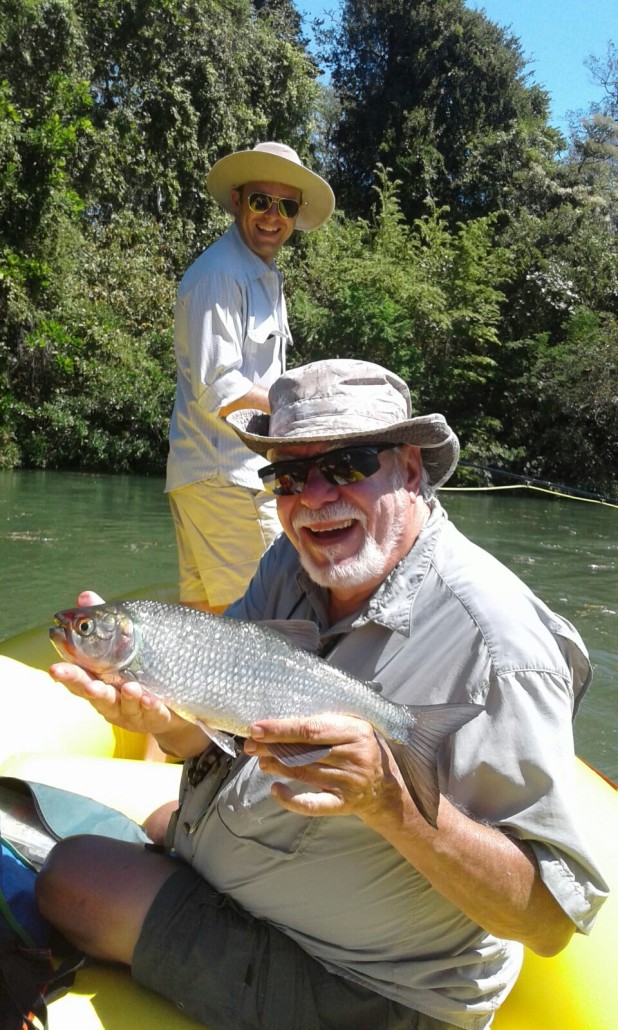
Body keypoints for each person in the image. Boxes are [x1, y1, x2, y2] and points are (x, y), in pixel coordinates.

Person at [38, 359, 608, 1030]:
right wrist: (163, 721)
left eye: (345, 466)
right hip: (269, 860)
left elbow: (545, 924)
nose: (311, 498)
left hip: (373, 988)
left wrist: (388, 804)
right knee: (163, 818)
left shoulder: (502, 651)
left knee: (71, 877)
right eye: (286, 476)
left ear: (411, 470)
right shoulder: (293, 559)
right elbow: (216, 726)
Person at [166, 141, 335, 613]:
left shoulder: (261, 274)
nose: (272, 216)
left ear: (296, 214)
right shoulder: (221, 275)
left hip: (218, 478)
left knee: (208, 622)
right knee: (264, 620)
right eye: (262, 201)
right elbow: (220, 391)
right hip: (229, 482)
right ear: (239, 199)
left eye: (286, 206)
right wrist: (300, 408)